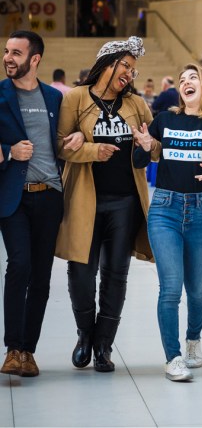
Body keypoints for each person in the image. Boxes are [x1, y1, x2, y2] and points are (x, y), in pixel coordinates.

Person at [133, 64, 202, 382]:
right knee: (170, 289)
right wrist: (143, 146)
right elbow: (141, 161)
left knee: (197, 289)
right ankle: (173, 357)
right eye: (182, 80)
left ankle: (193, 340)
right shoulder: (165, 120)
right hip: (165, 210)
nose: (185, 83)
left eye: (192, 78)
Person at [55, 36, 155, 373]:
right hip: (84, 200)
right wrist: (90, 151)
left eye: (133, 69)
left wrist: (150, 143)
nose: (129, 73)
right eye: (125, 65)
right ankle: (85, 335)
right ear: (106, 63)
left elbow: (154, 148)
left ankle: (103, 346)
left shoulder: (137, 104)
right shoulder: (75, 99)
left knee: (116, 274)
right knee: (81, 271)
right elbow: (59, 145)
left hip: (125, 203)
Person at [0, 31, 80, 377]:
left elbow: (67, 136)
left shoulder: (53, 97)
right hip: (13, 196)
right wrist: (8, 152)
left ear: (35, 59)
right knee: (19, 265)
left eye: (16, 53)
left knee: (42, 277)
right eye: (6, 51)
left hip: (49, 195)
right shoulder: (0, 96)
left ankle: (28, 351)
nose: (8, 57)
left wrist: (78, 136)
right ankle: (12, 348)